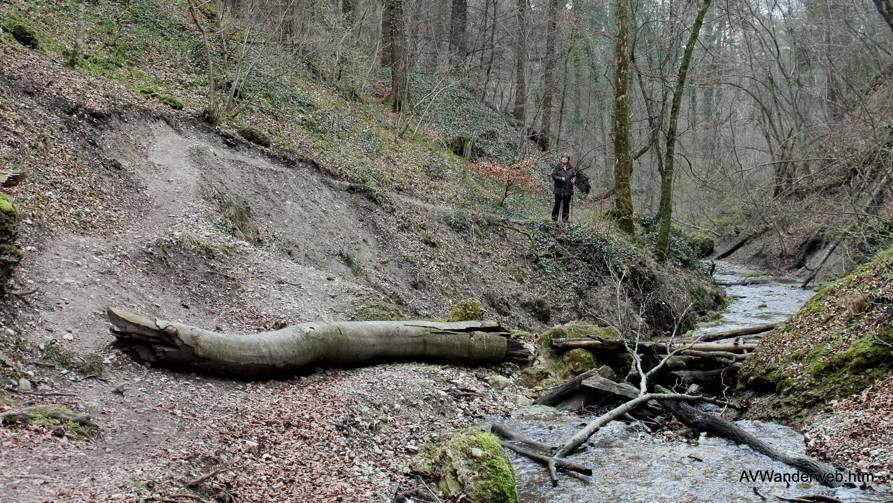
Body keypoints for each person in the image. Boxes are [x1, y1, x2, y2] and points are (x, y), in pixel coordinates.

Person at [551, 153, 576, 222]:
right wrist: (561, 178)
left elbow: (574, 175)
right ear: (561, 159)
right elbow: (553, 176)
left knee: (566, 204)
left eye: (566, 158)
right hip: (558, 189)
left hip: (568, 189)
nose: (564, 159)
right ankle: (554, 218)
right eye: (563, 158)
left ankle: (565, 219)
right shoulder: (558, 167)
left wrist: (574, 179)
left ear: (568, 160)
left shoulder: (571, 168)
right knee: (557, 203)